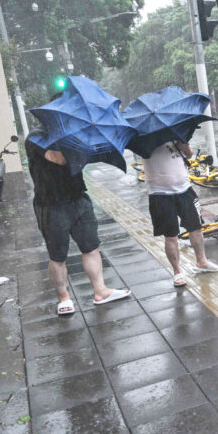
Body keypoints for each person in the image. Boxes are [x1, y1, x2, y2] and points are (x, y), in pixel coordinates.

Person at [26, 125, 130, 315]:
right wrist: (77, 143)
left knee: (91, 247)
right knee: (57, 255)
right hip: (51, 205)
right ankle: (63, 297)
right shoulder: (36, 138)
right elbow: (59, 158)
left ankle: (100, 291)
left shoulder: (74, 135)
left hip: (78, 199)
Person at [142, 141, 218, 286]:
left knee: (196, 227)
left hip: (185, 190)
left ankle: (202, 262)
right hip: (160, 194)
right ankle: (177, 271)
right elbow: (144, 153)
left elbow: (189, 154)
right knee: (170, 235)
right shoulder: (144, 138)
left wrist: (183, 144)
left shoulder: (175, 131)